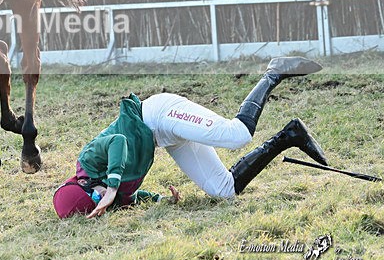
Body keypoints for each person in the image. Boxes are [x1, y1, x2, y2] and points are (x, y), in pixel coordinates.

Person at [53, 57, 327, 219]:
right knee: (224, 191)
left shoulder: (88, 162)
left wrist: (110, 187)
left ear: (84, 182)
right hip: (164, 138)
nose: (97, 196)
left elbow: (119, 143)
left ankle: (273, 72)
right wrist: (162, 200)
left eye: (91, 192)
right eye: (94, 200)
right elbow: (134, 198)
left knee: (237, 135)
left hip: (158, 114)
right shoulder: (106, 198)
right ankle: (290, 135)